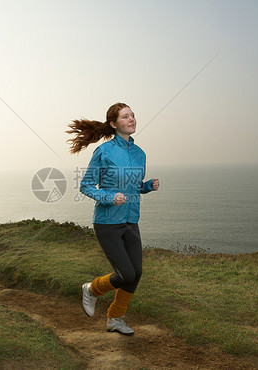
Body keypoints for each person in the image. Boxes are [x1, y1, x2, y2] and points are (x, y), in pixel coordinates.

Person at [66, 102, 159, 335]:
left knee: (136, 273)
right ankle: (92, 289)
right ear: (114, 123)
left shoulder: (140, 154)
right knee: (125, 274)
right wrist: (109, 196)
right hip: (107, 223)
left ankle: (115, 319)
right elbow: (86, 185)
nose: (132, 119)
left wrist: (147, 186)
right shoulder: (104, 151)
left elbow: (133, 186)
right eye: (126, 116)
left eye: (133, 115)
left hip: (130, 221)